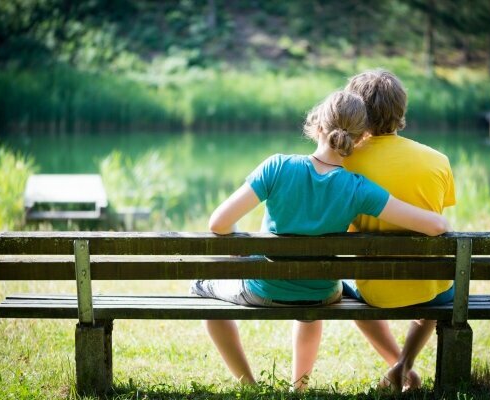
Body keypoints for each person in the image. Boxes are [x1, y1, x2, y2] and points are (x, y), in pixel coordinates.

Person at [191, 90, 450, 391]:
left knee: (204, 287)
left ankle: (249, 386)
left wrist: (238, 253)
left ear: (316, 126)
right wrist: (441, 220)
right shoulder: (358, 187)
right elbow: (435, 226)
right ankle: (298, 387)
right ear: (361, 137)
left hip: (265, 288)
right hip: (322, 292)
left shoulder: (277, 166)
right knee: (310, 295)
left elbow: (218, 223)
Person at [342, 69, 457, 392]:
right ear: (401, 109)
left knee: (346, 290)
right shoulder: (437, 160)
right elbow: (435, 218)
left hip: (373, 291)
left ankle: (401, 368)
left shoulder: (344, 163)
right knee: (434, 285)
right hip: (431, 286)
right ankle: (404, 365)